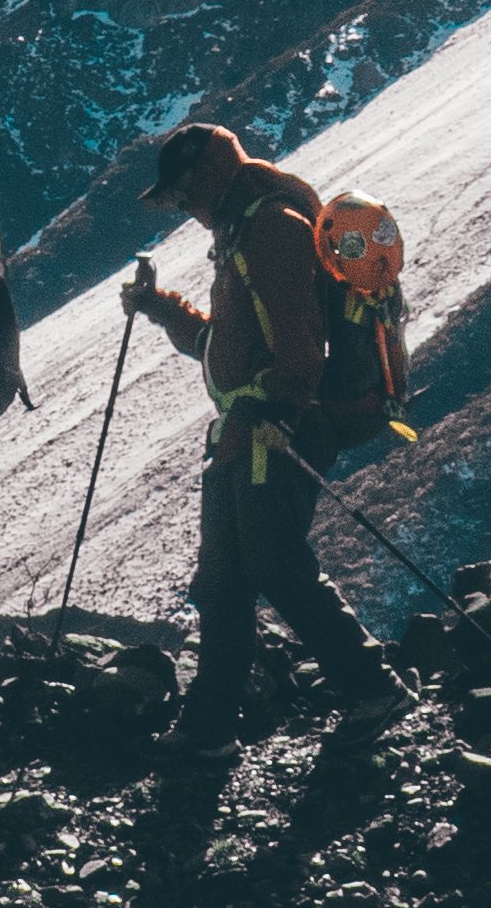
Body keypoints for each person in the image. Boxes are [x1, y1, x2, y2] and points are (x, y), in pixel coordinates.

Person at [123, 121, 409, 749]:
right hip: (245, 431)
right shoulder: (243, 231)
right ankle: (208, 724)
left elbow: (298, 344)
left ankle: (372, 686)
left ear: (209, 179)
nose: (185, 210)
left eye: (183, 195)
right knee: (224, 577)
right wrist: (161, 308)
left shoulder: (272, 229)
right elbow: (225, 344)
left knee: (273, 564)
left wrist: (278, 413)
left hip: (273, 431)